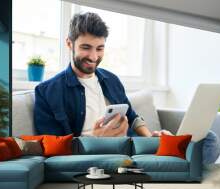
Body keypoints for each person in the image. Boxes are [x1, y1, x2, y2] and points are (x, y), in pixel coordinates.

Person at [34, 12, 166, 137]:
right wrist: (96, 140)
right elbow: (53, 147)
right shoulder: (46, 92)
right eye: (86, 48)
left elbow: (132, 117)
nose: (93, 56)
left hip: (128, 149)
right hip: (90, 157)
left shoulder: (112, 80)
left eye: (99, 48)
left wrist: (151, 138)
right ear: (69, 44)